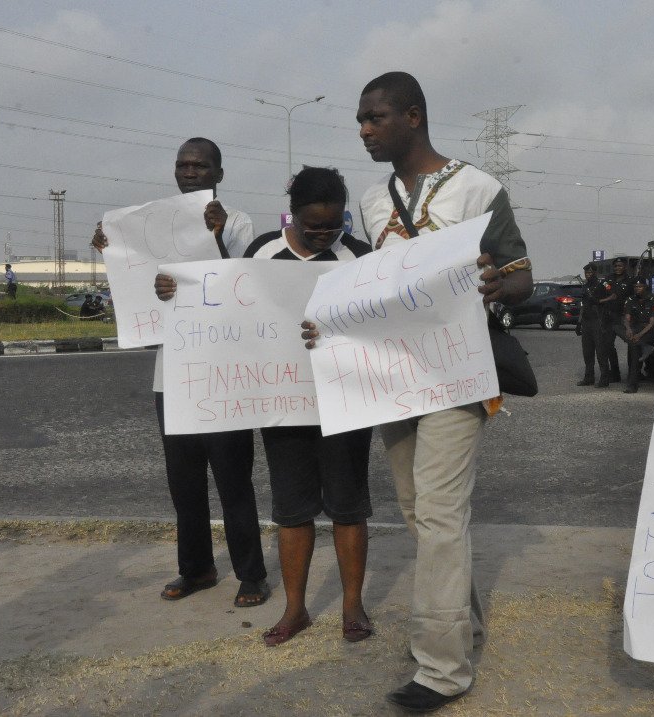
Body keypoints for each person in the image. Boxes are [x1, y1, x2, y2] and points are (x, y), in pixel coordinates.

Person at [303, 71, 532, 713]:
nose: (364, 130)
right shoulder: (374, 202)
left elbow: (521, 276)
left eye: (375, 118)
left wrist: (494, 285)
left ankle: (441, 669)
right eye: (360, 119)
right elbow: (368, 286)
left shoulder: (479, 187)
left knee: (437, 515)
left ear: (412, 116)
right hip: (394, 378)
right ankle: (461, 626)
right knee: (416, 510)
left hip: (459, 376)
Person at [93, 138, 270, 608]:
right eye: (183, 164)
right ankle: (197, 569)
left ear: (219, 173)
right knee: (184, 482)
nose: (190, 172)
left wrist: (214, 235)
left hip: (222, 369)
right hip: (171, 374)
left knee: (233, 480)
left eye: (200, 165)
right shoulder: (153, 223)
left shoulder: (238, 221)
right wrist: (111, 248)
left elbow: (240, 285)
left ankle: (251, 575)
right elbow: (135, 284)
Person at [240, 166, 376, 647]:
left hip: (346, 402)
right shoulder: (262, 252)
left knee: (348, 507)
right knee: (292, 511)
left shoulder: (359, 255)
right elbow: (234, 311)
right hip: (284, 403)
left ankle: (352, 606)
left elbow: (376, 325)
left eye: (333, 224)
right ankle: (294, 609)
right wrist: (176, 292)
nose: (323, 233)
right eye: (312, 224)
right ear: (291, 214)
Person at [576, 263, 616, 386]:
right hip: (587, 321)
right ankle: (589, 377)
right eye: (586, 273)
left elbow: (613, 296)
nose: (588, 275)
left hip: (599, 320)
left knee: (601, 351)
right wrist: (578, 322)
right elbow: (583, 304)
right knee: (587, 352)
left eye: (590, 272)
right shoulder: (585, 286)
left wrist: (599, 301)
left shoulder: (602, 284)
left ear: (595, 272)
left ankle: (604, 379)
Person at [595, 257, 630, 386]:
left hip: (622, 318)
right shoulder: (607, 280)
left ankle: (635, 374)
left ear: (624, 267)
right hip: (609, 318)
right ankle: (613, 374)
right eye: (615, 266)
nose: (617, 268)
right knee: (608, 346)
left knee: (633, 344)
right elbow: (599, 293)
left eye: (620, 266)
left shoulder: (630, 281)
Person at [622, 277, 654, 393]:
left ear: (645, 287)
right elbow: (627, 318)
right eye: (635, 287)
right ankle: (632, 383)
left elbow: (651, 323)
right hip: (636, 327)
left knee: (635, 345)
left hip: (649, 330)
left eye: (640, 286)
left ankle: (632, 384)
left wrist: (639, 335)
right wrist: (628, 329)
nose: (637, 289)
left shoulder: (653, 300)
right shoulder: (630, 299)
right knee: (634, 351)